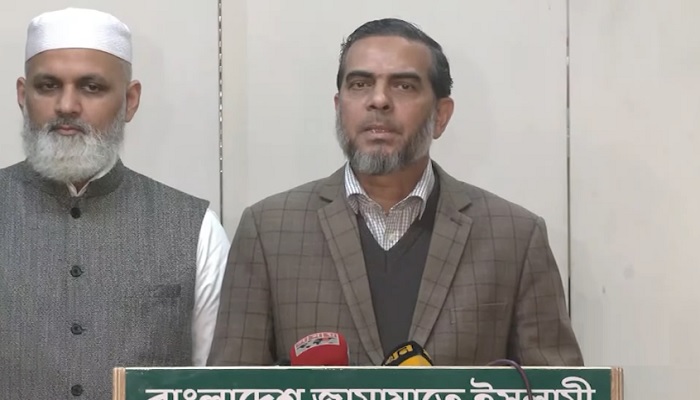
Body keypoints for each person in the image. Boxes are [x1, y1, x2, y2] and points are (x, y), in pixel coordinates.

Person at [208, 18, 583, 367]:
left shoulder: (514, 237)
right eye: (360, 84)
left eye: (403, 86)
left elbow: (559, 388)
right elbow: (229, 387)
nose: (379, 100)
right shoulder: (269, 232)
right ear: (339, 108)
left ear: (441, 115)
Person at [0, 7, 230, 398]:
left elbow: (216, 386)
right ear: (23, 96)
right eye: (48, 86)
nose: (67, 105)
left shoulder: (198, 232)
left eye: (91, 87)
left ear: (130, 100)